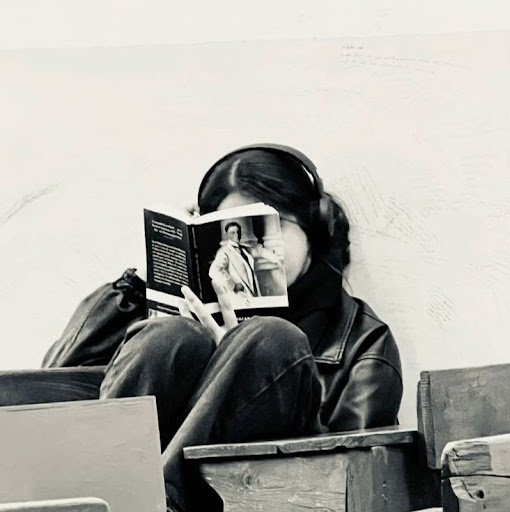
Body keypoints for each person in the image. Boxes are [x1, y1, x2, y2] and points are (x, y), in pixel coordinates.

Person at [42, 143, 403, 512]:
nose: (247, 247)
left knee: (272, 339)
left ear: (314, 229)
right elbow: (49, 387)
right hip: (123, 487)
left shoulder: (362, 340)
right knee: (172, 336)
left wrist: (239, 357)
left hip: (280, 496)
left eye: (269, 225)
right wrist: (147, 283)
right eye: (230, 233)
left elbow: (355, 476)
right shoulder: (179, 320)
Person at [208, 221, 260, 299]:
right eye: (232, 233)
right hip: (239, 295)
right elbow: (213, 271)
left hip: (252, 292)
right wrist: (232, 286)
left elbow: (259, 251)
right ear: (227, 235)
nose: (237, 235)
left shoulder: (244, 249)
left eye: (238, 232)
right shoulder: (224, 251)